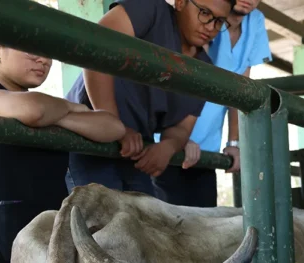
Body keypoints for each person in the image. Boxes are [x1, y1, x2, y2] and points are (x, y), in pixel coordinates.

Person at [65, 0, 234, 196]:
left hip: (136, 150)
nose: (211, 27)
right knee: (100, 218)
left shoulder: (204, 69)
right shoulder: (150, 9)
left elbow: (182, 127)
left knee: (141, 222)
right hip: (86, 137)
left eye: (220, 21)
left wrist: (168, 147)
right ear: (180, 3)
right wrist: (112, 123)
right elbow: (96, 44)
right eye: (204, 13)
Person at [0, 46, 124, 263]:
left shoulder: (49, 105)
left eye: (48, 52)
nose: (42, 59)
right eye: (28, 48)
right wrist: (69, 111)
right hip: (4, 235)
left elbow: (113, 127)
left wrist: (58, 115)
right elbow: (34, 111)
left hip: (48, 228)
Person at [154, 0, 271, 207]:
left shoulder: (256, 21)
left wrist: (234, 143)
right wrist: (177, 137)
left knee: (202, 224)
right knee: (164, 225)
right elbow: (180, 74)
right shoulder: (205, 20)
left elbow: (240, 88)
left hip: (207, 148)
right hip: (165, 142)